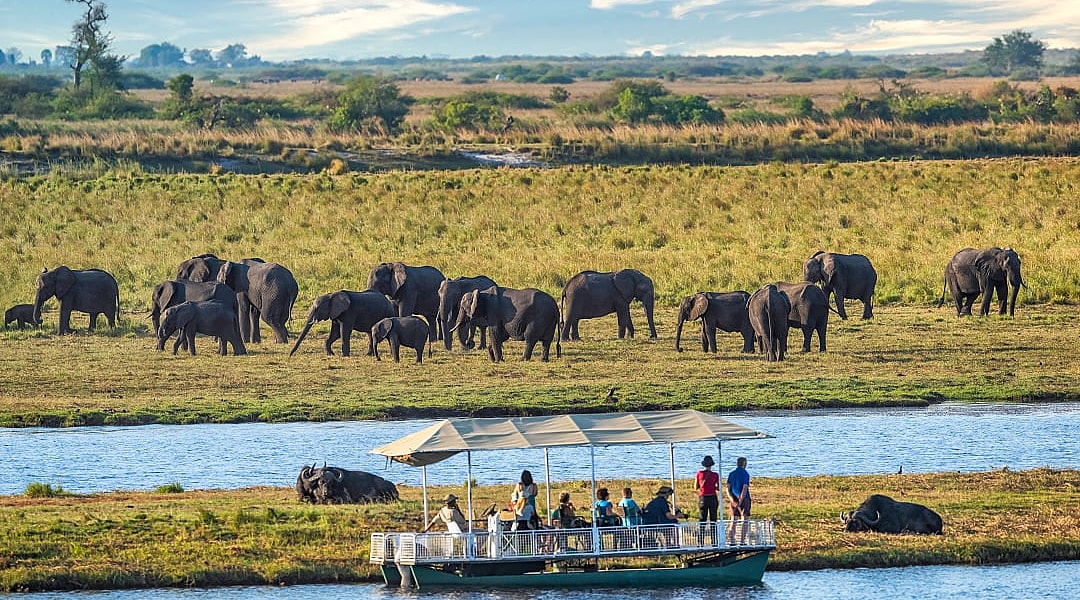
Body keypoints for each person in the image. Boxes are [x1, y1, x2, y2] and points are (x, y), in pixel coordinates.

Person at [726, 456, 752, 544]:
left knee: (733, 519)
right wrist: (740, 501)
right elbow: (744, 488)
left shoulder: (731, 474)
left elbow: (728, 488)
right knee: (744, 520)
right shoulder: (745, 474)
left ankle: (732, 540)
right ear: (744, 464)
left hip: (733, 498)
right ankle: (742, 541)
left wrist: (732, 499)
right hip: (743, 499)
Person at [696, 454, 720, 522]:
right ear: (711, 465)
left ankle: (702, 532)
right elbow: (718, 488)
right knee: (713, 518)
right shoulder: (715, 475)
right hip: (712, 497)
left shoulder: (699, 473)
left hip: (703, 497)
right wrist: (713, 487)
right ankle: (713, 532)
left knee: (702, 518)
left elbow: (696, 487)